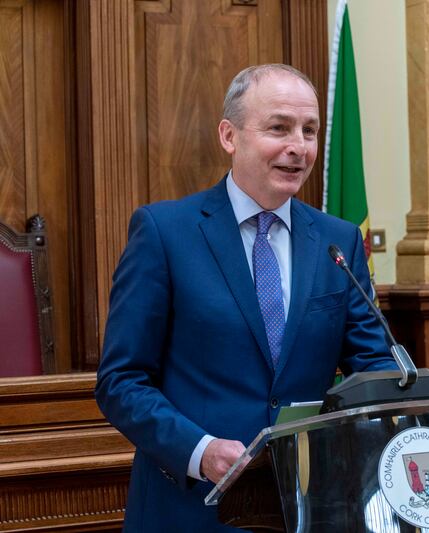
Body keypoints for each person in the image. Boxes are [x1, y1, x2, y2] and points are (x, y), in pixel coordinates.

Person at [95, 64, 397, 532]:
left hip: (310, 509)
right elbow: (121, 380)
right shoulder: (164, 233)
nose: (298, 146)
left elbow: (375, 369)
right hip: (190, 509)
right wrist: (198, 450)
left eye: (310, 130)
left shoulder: (338, 242)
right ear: (229, 136)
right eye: (279, 128)